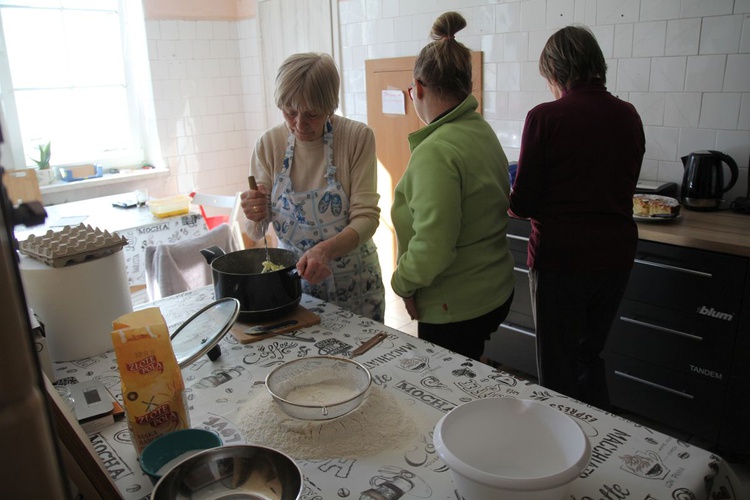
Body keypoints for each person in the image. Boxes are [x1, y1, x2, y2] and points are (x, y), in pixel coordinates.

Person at [509, 25, 645, 410]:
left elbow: (524, 201)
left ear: (556, 72)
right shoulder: (629, 115)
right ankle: (601, 440)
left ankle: (561, 450)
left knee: (557, 366)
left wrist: (509, 199)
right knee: (589, 356)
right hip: (615, 257)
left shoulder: (545, 117)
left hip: (561, 260)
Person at [390, 12, 515, 361]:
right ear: (467, 86)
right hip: (495, 287)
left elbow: (434, 246)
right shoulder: (479, 129)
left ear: (419, 87)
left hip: (456, 305)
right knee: (471, 371)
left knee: (449, 395)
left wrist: (401, 282)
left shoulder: (435, 151)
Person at [242, 52, 385, 322]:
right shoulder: (268, 145)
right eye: (290, 112)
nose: (299, 124)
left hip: (355, 281)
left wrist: (325, 251)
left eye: (312, 114)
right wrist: (253, 213)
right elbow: (257, 229)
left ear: (330, 106)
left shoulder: (357, 138)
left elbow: (367, 218)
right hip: (296, 283)